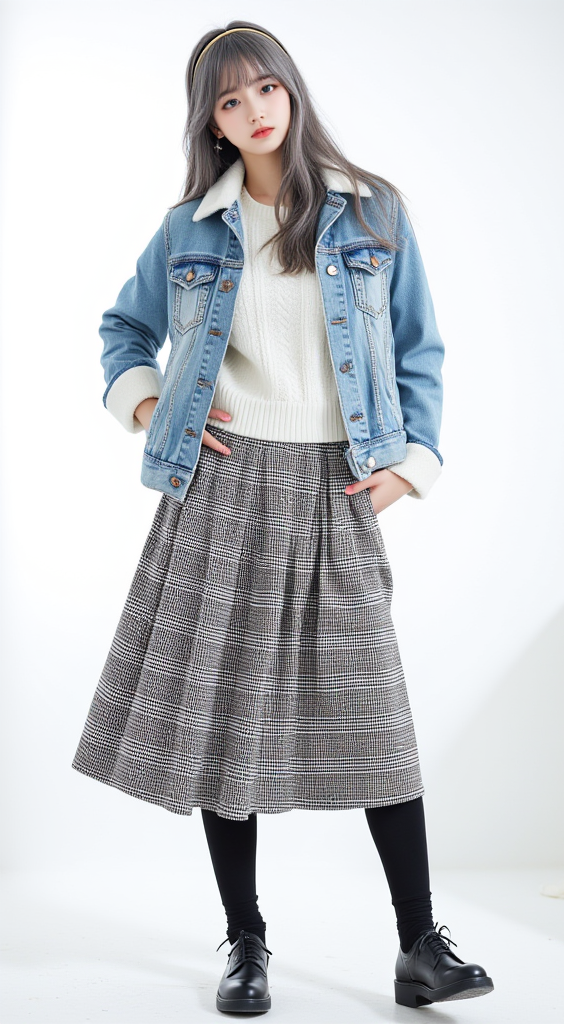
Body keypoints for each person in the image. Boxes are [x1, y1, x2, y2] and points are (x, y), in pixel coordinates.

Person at [71, 19, 494, 1014]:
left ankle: (419, 945)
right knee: (226, 719)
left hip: (337, 484)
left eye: (264, 87)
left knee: (378, 722)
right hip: (222, 488)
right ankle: (247, 942)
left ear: (290, 91)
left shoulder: (374, 211)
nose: (254, 110)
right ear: (212, 125)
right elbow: (123, 329)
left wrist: (411, 469)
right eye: (229, 101)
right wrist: (150, 406)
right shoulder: (190, 228)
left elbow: (421, 349)